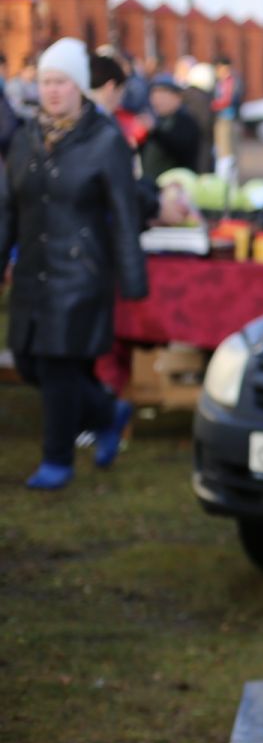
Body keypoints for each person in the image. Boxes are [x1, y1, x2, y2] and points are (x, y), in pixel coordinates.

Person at [0, 38, 148, 490]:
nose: (53, 91)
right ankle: (108, 411)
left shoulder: (104, 141)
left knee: (60, 364)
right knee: (28, 362)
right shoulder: (25, 138)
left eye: (61, 82)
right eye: (45, 82)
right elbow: (8, 206)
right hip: (34, 270)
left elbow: (125, 212)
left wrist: (132, 277)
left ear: (80, 87)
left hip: (81, 271)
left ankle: (57, 460)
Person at [141, 76, 203, 182]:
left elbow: (181, 148)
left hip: (177, 187)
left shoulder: (185, 121)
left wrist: (155, 131)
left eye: (162, 96)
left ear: (177, 97)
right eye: (154, 96)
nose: (156, 101)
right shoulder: (158, 120)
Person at [210, 54, 244, 164]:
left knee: (231, 151)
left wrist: (214, 105)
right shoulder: (215, 82)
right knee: (223, 151)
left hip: (229, 118)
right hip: (219, 120)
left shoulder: (233, 81)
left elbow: (230, 99)